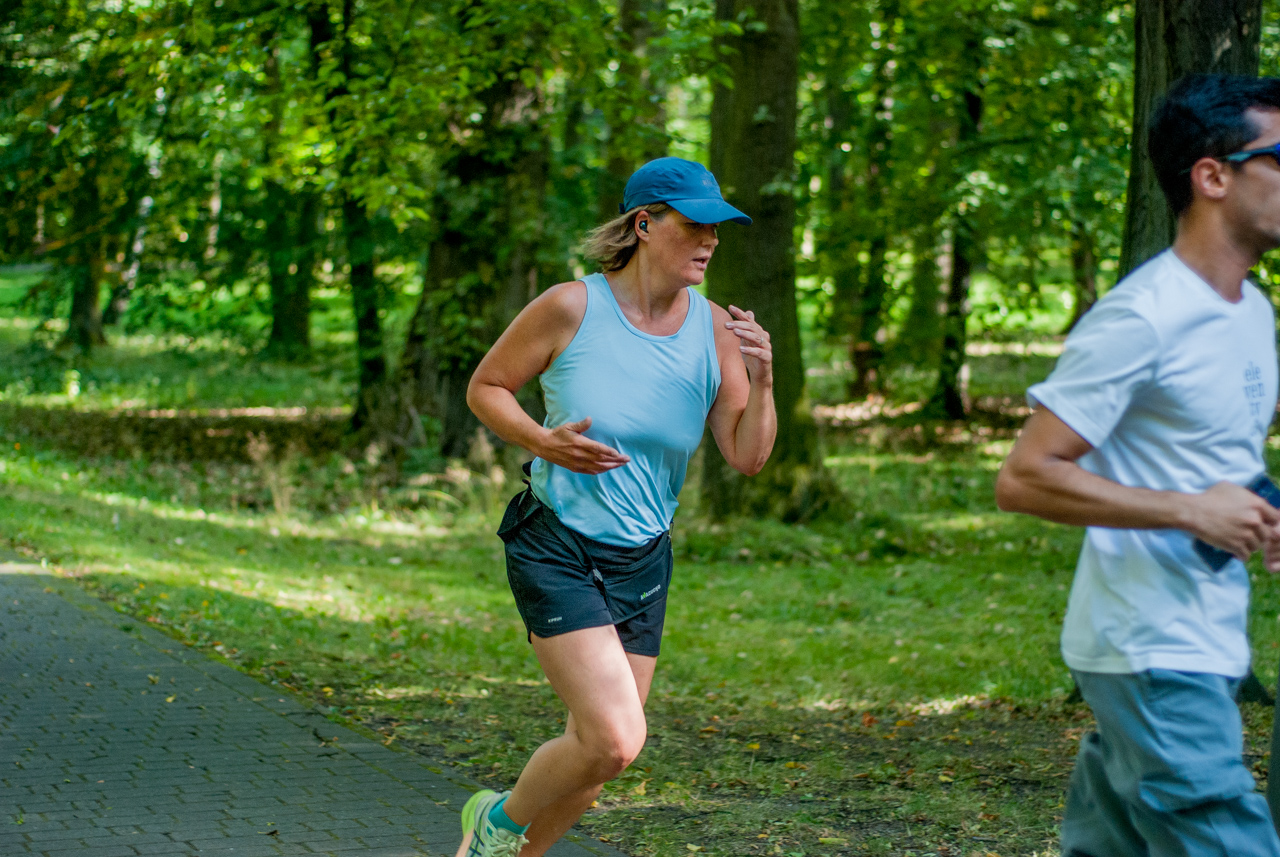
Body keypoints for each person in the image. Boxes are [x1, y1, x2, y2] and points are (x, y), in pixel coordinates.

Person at [457, 156, 777, 857]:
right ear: (644, 224)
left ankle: (501, 851)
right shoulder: (573, 306)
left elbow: (746, 454)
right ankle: (497, 825)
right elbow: (487, 387)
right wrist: (543, 439)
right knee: (615, 736)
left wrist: (763, 375)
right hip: (557, 541)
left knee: (598, 760)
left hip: (642, 558)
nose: (710, 240)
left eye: (717, 229)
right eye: (695, 225)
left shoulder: (718, 328)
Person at [995, 73, 1280, 857]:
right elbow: (1025, 475)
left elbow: (1212, 459)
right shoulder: (1141, 315)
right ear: (1213, 175)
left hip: (1206, 633)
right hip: (1151, 642)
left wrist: (1262, 513)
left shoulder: (1252, 312)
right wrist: (1191, 511)